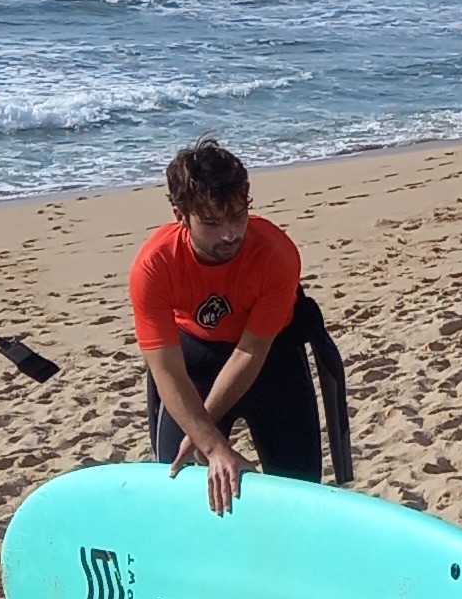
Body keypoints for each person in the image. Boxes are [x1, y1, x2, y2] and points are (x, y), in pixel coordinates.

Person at [131, 140, 351, 514]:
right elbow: (166, 370)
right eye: (212, 223)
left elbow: (251, 351)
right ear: (180, 215)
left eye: (237, 216)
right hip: (194, 363)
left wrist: (205, 435)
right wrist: (211, 443)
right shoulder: (154, 266)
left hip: (272, 360)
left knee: (298, 495)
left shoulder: (276, 255)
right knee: (178, 485)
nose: (230, 234)